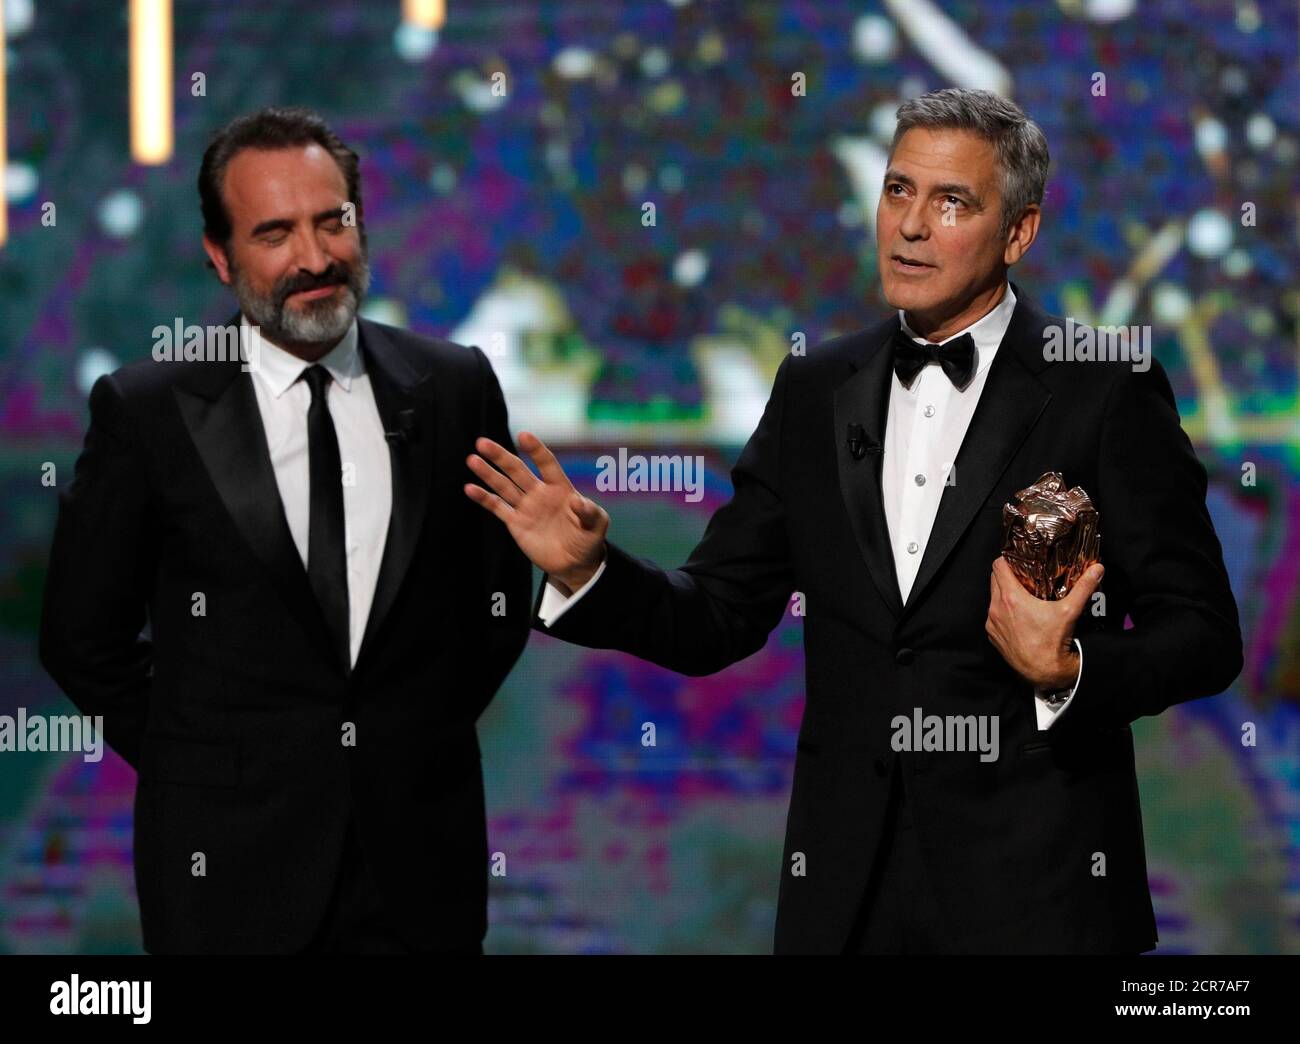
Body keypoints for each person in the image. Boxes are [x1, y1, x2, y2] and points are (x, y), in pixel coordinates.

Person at [464, 88, 1243, 954]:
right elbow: (719, 613)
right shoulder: (814, 391)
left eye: (952, 202)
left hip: (1037, 904)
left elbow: (1203, 633)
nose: (909, 226)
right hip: (843, 904)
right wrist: (590, 573)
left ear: (1018, 234)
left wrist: (1066, 670)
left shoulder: (1103, 387)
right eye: (898, 190)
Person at [40, 107, 531, 954]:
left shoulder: (453, 387)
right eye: (275, 233)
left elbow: (493, 604)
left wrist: (405, 741)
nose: (314, 258)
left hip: (420, 868)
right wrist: (210, 764)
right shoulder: (149, 410)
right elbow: (82, 638)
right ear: (220, 257)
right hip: (226, 878)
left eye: (331, 221)